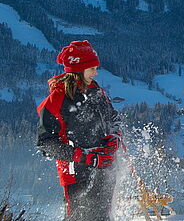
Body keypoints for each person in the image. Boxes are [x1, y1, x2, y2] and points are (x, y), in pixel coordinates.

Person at [36, 40, 122, 221]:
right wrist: (85, 157)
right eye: (92, 68)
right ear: (79, 69)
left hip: (105, 166)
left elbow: (113, 119)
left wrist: (116, 139)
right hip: (76, 173)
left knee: (104, 217)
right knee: (79, 217)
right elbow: (45, 143)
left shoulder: (95, 90)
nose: (96, 73)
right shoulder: (57, 99)